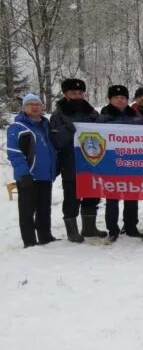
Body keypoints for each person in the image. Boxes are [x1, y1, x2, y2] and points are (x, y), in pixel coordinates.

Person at [50, 78, 106, 243]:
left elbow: (103, 134)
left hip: (92, 161)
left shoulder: (91, 113)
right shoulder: (57, 116)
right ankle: (72, 230)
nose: (77, 95)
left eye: (80, 92)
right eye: (73, 92)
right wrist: (68, 129)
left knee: (92, 194)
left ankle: (89, 228)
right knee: (72, 197)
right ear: (65, 94)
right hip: (70, 163)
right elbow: (56, 141)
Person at [7, 93, 58, 248]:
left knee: (44, 207)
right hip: (28, 176)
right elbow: (14, 153)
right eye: (30, 104)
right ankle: (29, 241)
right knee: (27, 210)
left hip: (45, 175)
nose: (35, 107)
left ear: (42, 107)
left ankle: (45, 236)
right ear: (24, 108)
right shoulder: (18, 127)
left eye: (37, 104)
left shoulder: (46, 125)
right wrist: (23, 173)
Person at [96, 85, 143, 241]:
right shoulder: (103, 117)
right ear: (110, 99)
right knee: (112, 198)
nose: (120, 100)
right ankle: (112, 229)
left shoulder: (135, 116)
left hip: (132, 163)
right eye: (116, 97)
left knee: (132, 196)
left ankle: (131, 226)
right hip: (111, 164)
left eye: (123, 97)